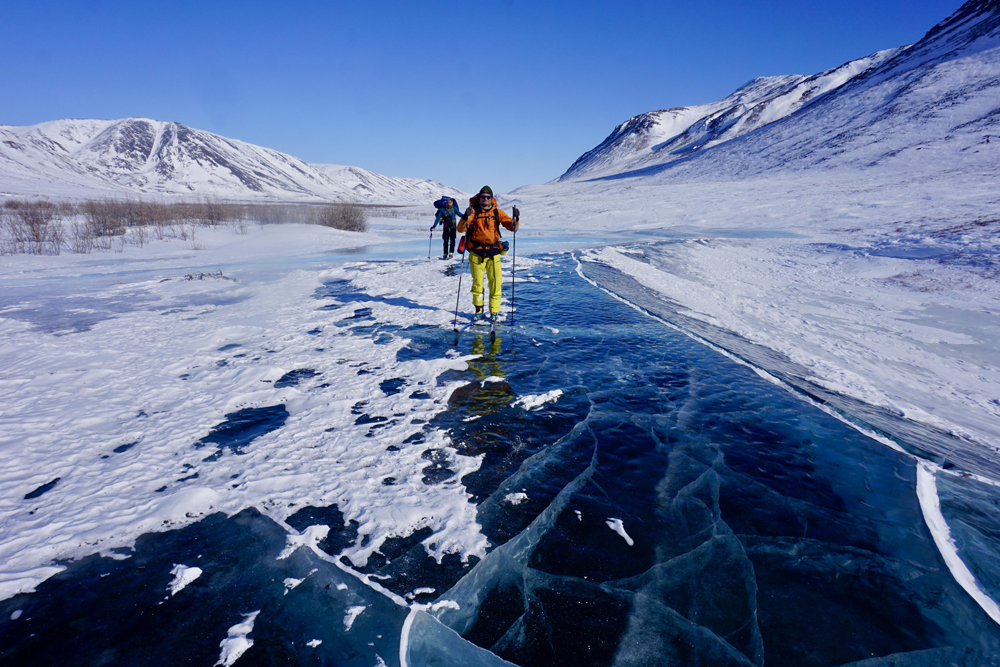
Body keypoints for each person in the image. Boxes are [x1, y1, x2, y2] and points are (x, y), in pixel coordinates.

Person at [457, 186, 519, 322]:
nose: (485, 199)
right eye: (483, 197)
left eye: (488, 197)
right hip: (476, 254)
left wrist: (516, 218)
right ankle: (479, 309)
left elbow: (512, 227)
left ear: (492, 198)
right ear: (479, 198)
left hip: (494, 254)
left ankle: (494, 311)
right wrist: (465, 216)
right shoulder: (473, 212)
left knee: (496, 283)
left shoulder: (497, 212)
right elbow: (460, 229)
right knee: (477, 284)